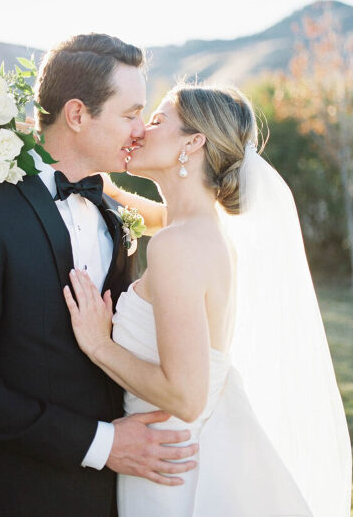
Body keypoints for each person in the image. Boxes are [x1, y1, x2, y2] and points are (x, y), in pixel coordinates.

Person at [0, 34, 198, 517]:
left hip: (111, 496)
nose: (140, 129)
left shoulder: (115, 213)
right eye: (130, 113)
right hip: (8, 494)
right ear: (76, 114)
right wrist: (102, 444)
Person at [64, 82, 352, 516]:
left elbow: (186, 397)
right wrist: (97, 177)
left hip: (171, 473)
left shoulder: (178, 245)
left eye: (157, 121)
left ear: (193, 142)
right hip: (184, 454)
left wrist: (98, 344)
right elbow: (156, 216)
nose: (141, 129)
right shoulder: (197, 226)